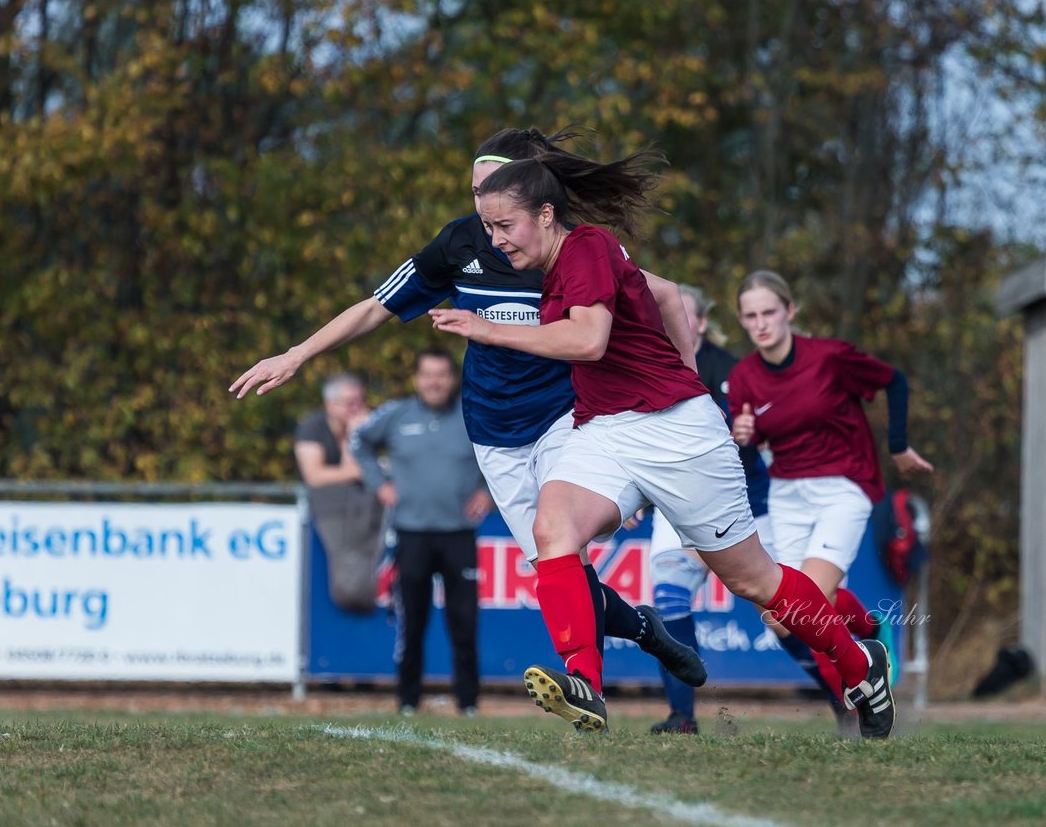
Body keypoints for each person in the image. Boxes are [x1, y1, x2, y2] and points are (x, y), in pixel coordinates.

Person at [430, 154, 896, 738]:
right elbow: (671, 296)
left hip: (677, 433)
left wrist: (487, 328)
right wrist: (684, 368)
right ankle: (584, 685)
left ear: (546, 215)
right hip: (604, 429)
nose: (495, 241)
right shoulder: (557, 261)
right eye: (488, 229)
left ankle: (861, 666)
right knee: (554, 530)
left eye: (504, 226)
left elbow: (590, 339)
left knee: (755, 582)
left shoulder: (589, 246)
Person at [230, 128, 705, 688]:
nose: (483, 205)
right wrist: (298, 353)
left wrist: (684, 396)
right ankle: (645, 631)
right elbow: (376, 307)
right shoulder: (458, 245)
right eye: (476, 191)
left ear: (531, 196)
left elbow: (666, 296)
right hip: (493, 430)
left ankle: (585, 686)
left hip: (566, 417)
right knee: (559, 572)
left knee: (563, 553)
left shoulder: (573, 248)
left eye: (494, 189)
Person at [727, 269, 934, 728]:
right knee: (781, 618)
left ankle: (851, 700)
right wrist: (744, 435)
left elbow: (893, 381)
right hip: (785, 493)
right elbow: (752, 442)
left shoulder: (829, 357)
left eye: (769, 312)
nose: (761, 324)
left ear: (790, 312)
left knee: (807, 603)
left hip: (844, 486)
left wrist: (898, 447)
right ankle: (866, 633)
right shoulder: (743, 378)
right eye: (750, 316)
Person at [640, 283, 775, 735]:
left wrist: (747, 437)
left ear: (698, 322)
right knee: (668, 599)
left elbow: (755, 449)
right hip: (673, 503)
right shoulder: (644, 367)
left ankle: (845, 696)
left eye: (678, 313)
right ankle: (682, 716)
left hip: (739, 502)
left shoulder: (732, 373)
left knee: (779, 616)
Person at [351, 348, 491, 717]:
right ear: (417, 379)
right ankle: (408, 702)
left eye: (442, 375)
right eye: (428, 375)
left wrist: (488, 492)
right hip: (411, 535)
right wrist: (378, 483)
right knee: (411, 624)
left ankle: (469, 703)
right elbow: (359, 443)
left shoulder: (471, 414)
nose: (435, 382)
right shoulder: (396, 415)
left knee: (464, 623)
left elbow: (506, 453)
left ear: (452, 379)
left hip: (459, 535)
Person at [293, 373, 385, 613]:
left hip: (364, 509)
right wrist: (353, 438)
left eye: (359, 401)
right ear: (330, 404)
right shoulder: (312, 427)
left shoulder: (370, 424)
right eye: (349, 402)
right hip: (328, 511)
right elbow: (316, 476)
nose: (356, 408)